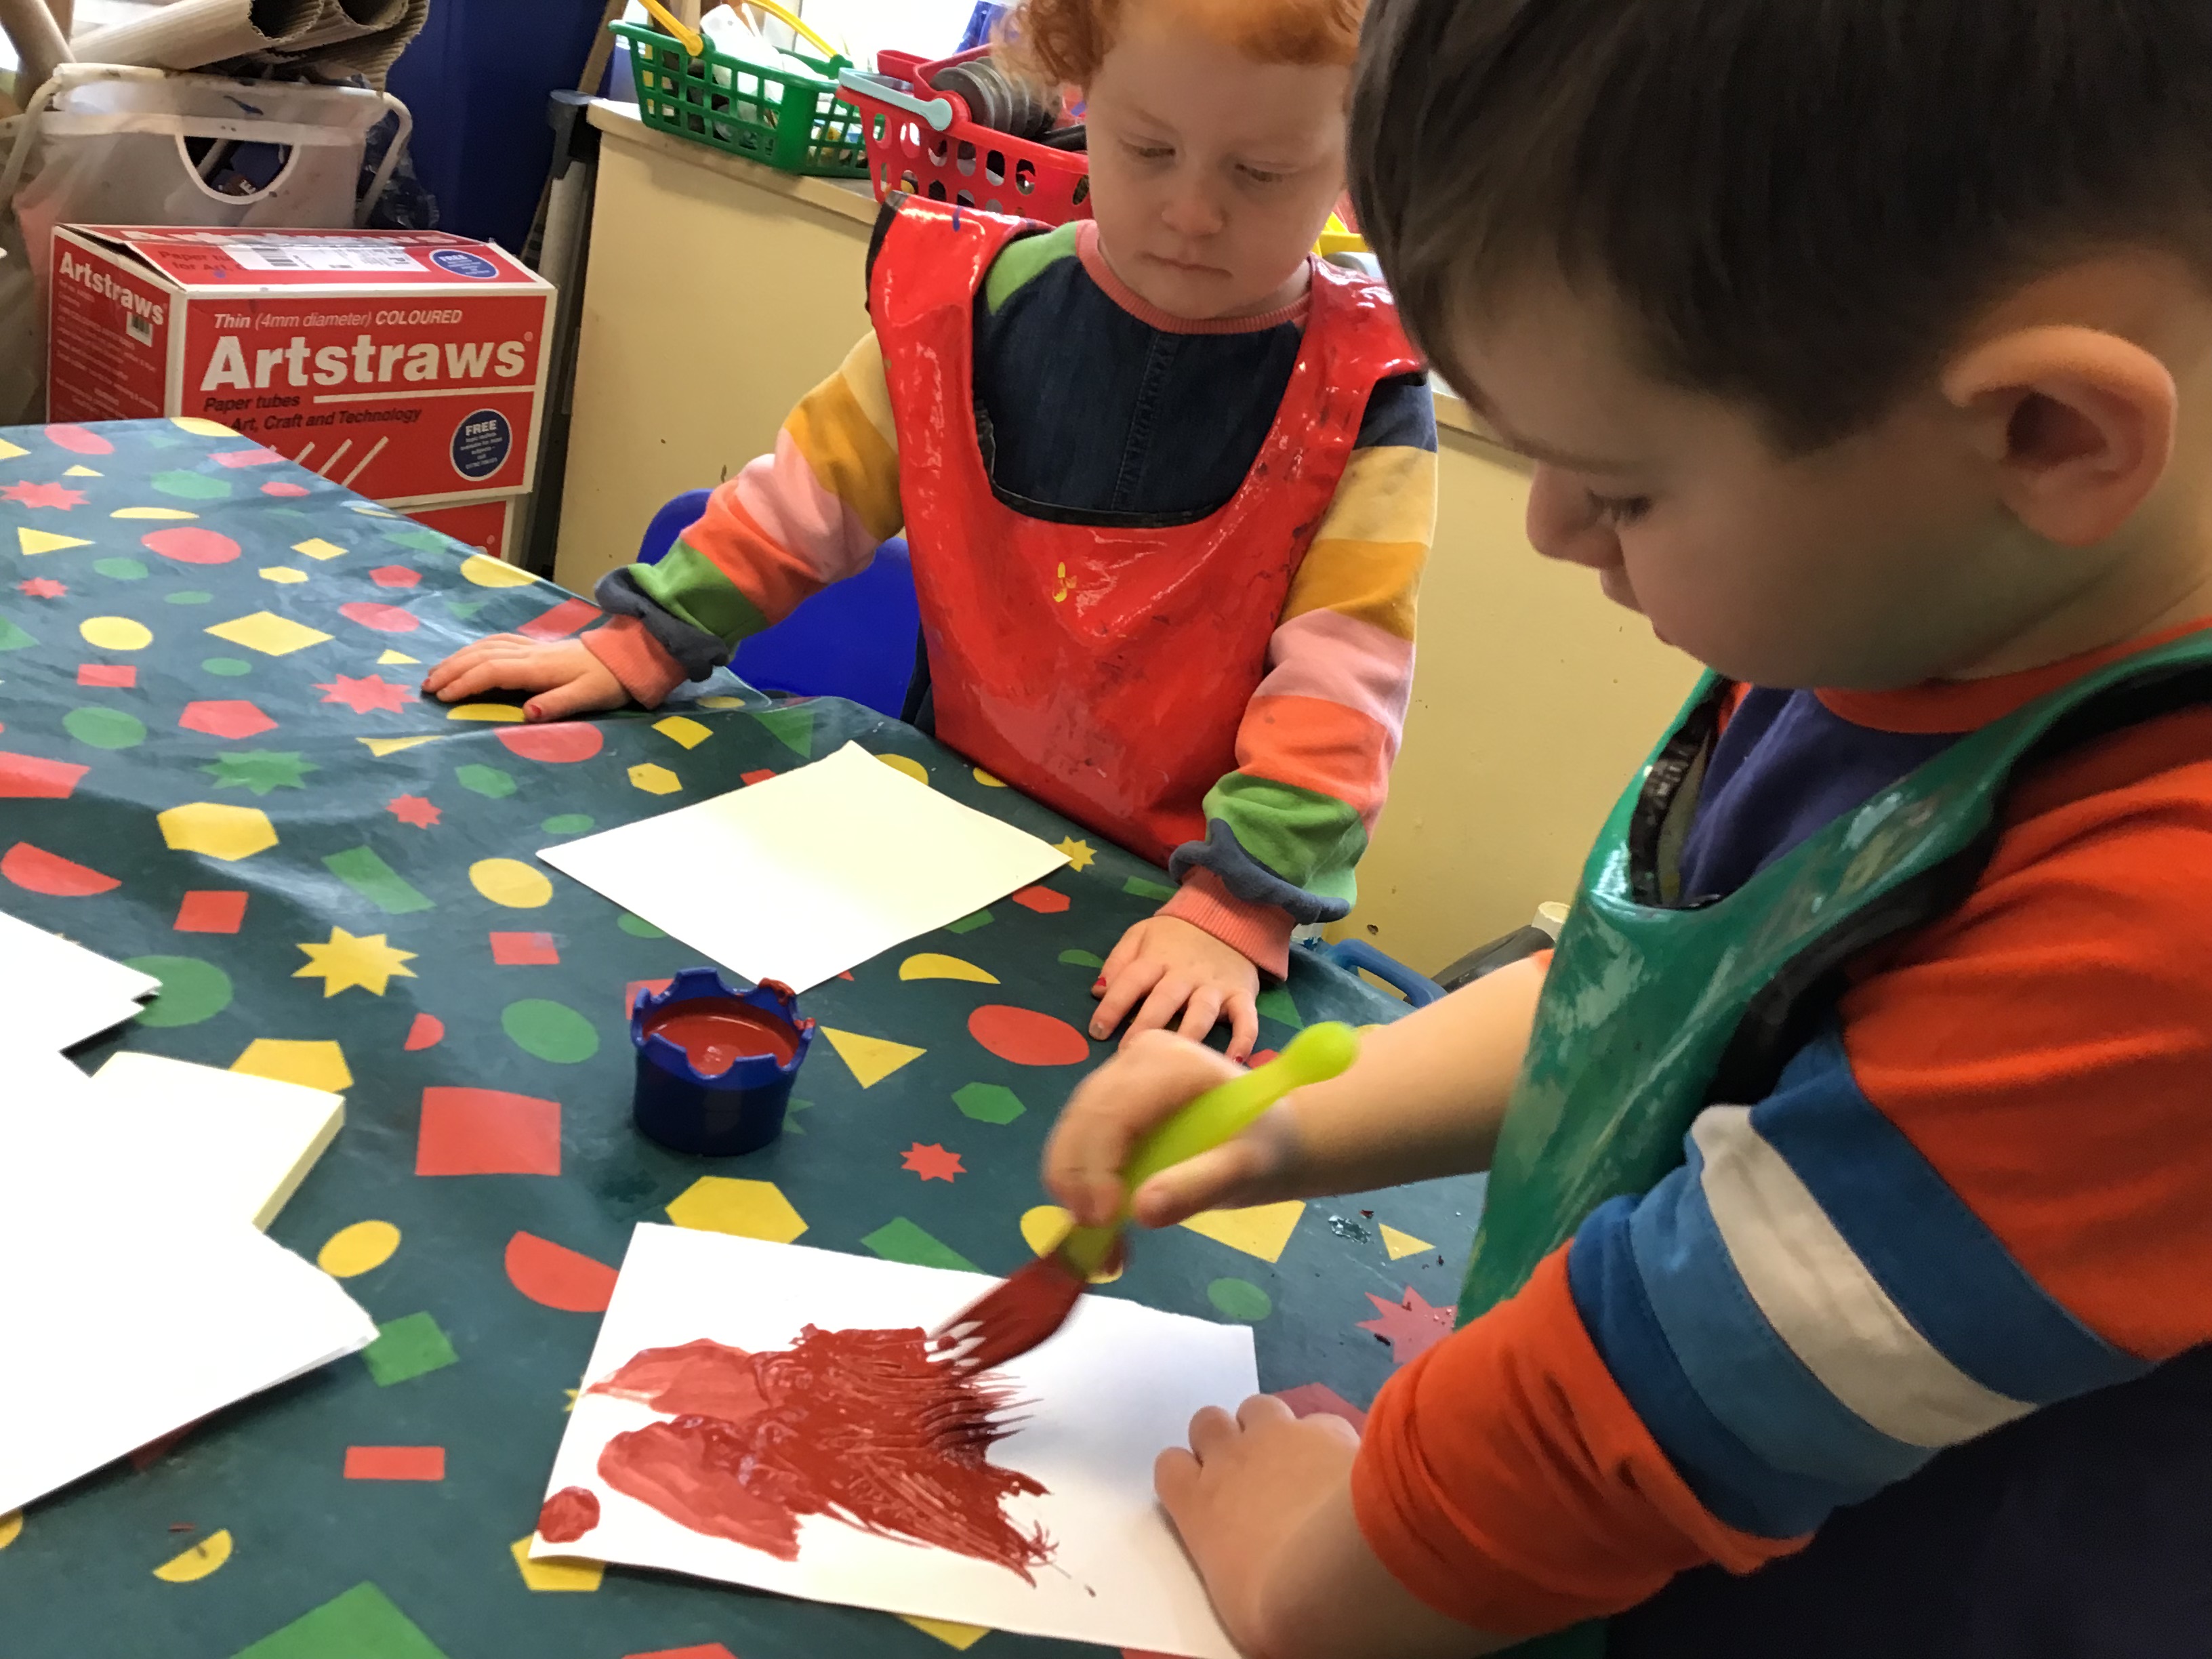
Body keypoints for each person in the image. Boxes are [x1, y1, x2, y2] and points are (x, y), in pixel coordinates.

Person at [1041, 1, 2212, 1654]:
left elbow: (1647, 1405)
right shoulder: (1919, 616)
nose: (1550, 527)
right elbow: (1660, 1000)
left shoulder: (2164, 926)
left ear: (2047, 434)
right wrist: (1284, 1124)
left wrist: (1309, 1582)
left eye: (1624, 485)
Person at [424, 0, 1439, 1062]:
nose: (1191, 212)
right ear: (1082, 90)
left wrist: (1241, 905)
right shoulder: (969, 305)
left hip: (1182, 911)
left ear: (1358, 156)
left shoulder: (1366, 394)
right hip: (943, 847)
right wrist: (647, 636)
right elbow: (806, 498)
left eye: (1262, 173)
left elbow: (1342, 686)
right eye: (1148, 149)